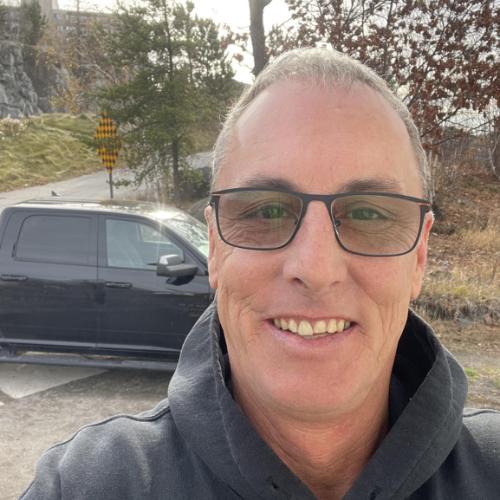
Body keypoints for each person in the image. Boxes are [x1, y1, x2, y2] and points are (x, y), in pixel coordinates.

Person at [21, 48, 499, 500]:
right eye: (265, 211)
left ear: (419, 256)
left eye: (369, 214)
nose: (315, 269)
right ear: (214, 247)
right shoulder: (90, 485)